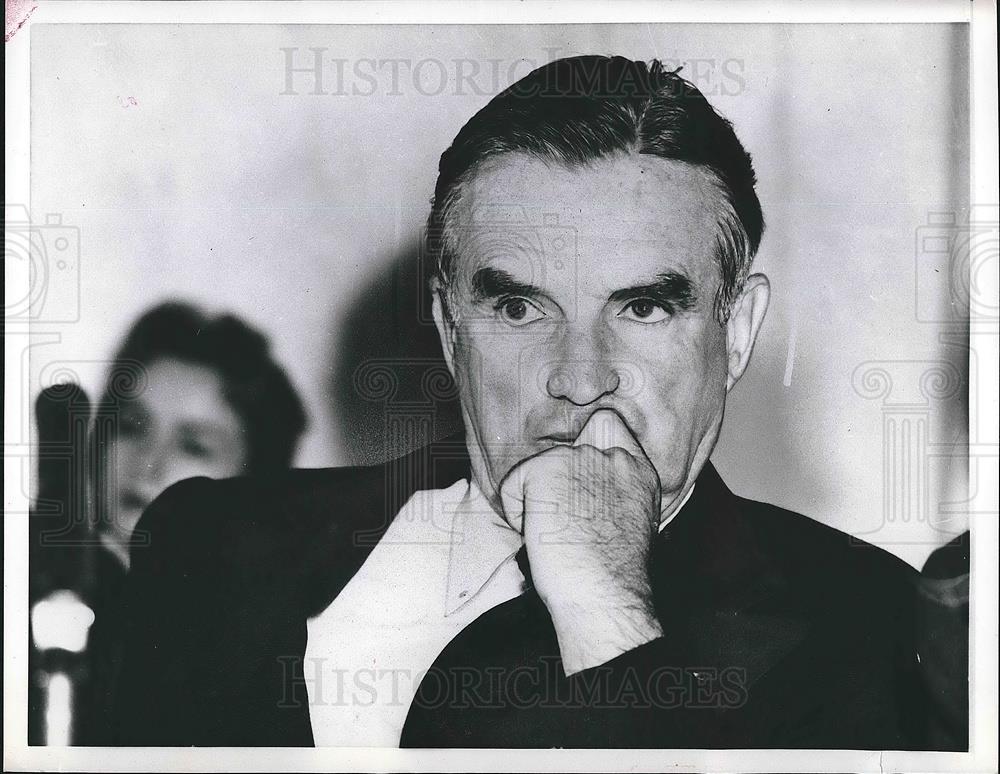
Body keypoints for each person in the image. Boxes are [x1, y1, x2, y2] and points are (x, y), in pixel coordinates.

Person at [114, 57, 929, 748]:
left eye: (643, 308)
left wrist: (607, 605)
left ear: (738, 329)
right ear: (448, 325)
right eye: (518, 308)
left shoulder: (880, 632)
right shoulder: (210, 545)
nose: (580, 377)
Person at [74, 301, 307, 745]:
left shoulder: (266, 653)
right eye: (132, 425)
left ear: (251, 482)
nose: (148, 462)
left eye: (193, 445)